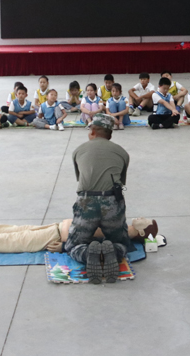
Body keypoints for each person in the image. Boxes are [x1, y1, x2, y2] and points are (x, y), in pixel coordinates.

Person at [64, 114, 134, 284]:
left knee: (72, 245)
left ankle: (87, 254)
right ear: (110, 134)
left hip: (86, 202)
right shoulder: (122, 153)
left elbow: (82, 180)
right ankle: (113, 251)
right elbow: (120, 182)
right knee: (122, 242)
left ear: (93, 131)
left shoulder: (78, 150)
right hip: (112, 202)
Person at [0, 212, 158, 254]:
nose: (141, 217)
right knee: (13, 229)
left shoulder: (120, 238)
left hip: (56, 237)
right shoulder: (121, 226)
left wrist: (64, 247)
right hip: (57, 228)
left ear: (141, 231)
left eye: (144, 221)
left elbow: (95, 247)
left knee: (13, 240)